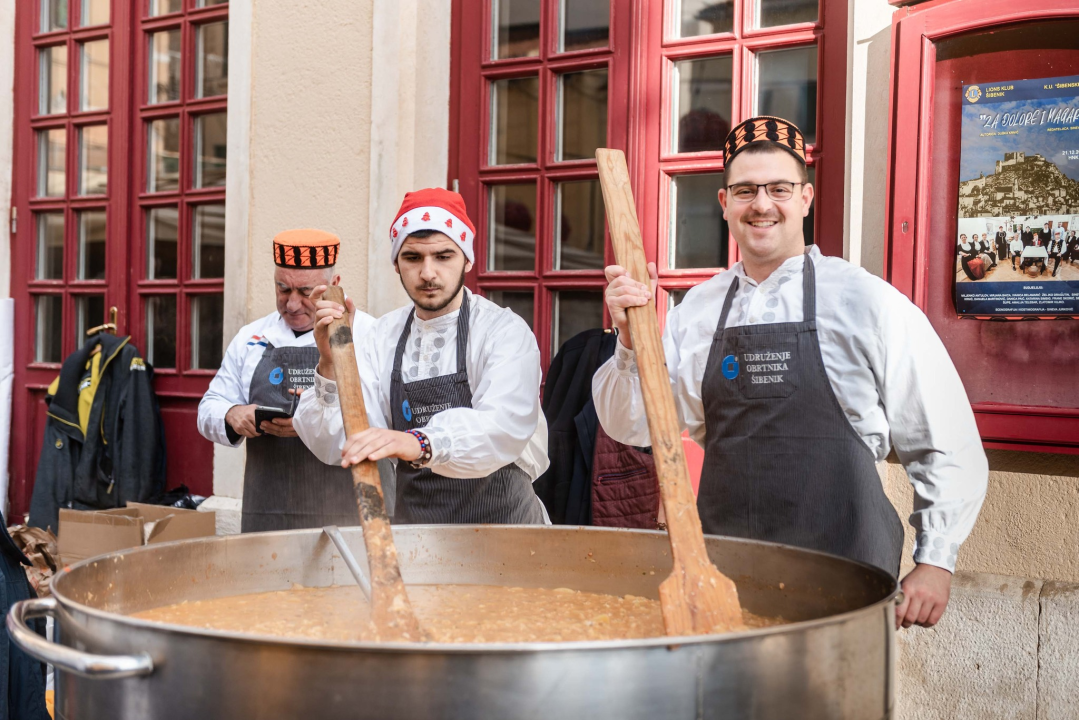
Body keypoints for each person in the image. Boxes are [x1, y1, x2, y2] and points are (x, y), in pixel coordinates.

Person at [593, 116, 987, 629]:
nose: (762, 204)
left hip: (847, 572)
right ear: (724, 203)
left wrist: (936, 559)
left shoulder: (864, 300)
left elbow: (945, 436)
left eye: (779, 188)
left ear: (805, 198)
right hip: (725, 574)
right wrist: (629, 340)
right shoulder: (699, 311)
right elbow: (633, 426)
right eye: (745, 190)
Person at [294, 188, 548, 524]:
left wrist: (415, 441)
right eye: (413, 258)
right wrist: (329, 362)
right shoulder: (381, 337)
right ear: (397, 264)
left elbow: (501, 428)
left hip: (506, 535)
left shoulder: (503, 332)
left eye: (443, 256)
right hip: (419, 537)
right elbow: (335, 441)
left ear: (467, 259)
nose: (428, 273)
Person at [197, 229, 382, 532]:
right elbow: (208, 408)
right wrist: (232, 415)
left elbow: (382, 420)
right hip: (269, 509)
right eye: (283, 289)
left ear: (334, 285)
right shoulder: (251, 338)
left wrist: (313, 418)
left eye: (306, 292)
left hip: (349, 512)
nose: (292, 304)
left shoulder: (369, 334)